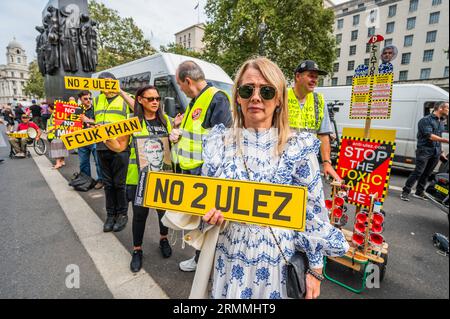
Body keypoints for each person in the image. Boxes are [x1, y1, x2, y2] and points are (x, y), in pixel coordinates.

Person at [163, 57, 349, 299]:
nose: (256, 97)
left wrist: (315, 271)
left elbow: (312, 214)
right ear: (237, 96)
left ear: (279, 97)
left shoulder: (297, 146)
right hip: (228, 260)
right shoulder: (219, 142)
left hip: (276, 267)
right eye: (247, 89)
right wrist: (207, 216)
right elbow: (204, 201)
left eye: (267, 90)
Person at [105, 85, 175, 272]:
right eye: (150, 99)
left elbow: (174, 144)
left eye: (157, 99)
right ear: (140, 100)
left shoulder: (166, 120)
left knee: (163, 213)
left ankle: (163, 239)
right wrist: (106, 139)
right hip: (138, 179)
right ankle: (137, 250)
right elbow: (119, 146)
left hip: (162, 177)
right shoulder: (132, 121)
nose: (155, 102)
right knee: (140, 215)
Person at [171, 60, 232, 272]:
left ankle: (203, 262)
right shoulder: (195, 101)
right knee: (199, 220)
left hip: (204, 170)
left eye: (180, 84)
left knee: (207, 220)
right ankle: (202, 260)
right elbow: (195, 135)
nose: (180, 88)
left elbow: (223, 139)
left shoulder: (216, 98)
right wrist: (178, 131)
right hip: (191, 168)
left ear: (188, 81)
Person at [94, 71, 135, 233]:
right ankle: (110, 216)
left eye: (109, 83)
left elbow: (137, 110)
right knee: (108, 185)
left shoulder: (125, 98)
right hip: (101, 147)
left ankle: (122, 215)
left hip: (120, 148)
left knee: (120, 184)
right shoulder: (97, 100)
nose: (107, 87)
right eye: (103, 84)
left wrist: (120, 92)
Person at [287, 60, 340, 181]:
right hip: (282, 162)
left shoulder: (319, 101)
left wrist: (326, 163)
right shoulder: (281, 96)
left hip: (308, 164)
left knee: (307, 199)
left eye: (316, 77)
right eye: (310, 76)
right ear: (298, 76)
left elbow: (323, 134)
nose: (314, 80)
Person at [401, 101, 449, 201]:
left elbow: (438, 137)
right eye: (447, 108)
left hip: (435, 151)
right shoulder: (426, 120)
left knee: (427, 173)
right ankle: (405, 191)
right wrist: (446, 141)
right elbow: (430, 136)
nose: (448, 110)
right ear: (440, 108)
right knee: (418, 172)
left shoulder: (441, 121)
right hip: (424, 150)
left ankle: (419, 192)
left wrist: (441, 151)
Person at [78, 90, 104, 189]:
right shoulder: (77, 110)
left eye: (90, 98)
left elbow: (99, 122)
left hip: (94, 139)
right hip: (81, 139)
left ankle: (100, 180)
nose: (88, 100)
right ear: (80, 99)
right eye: (85, 99)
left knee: (98, 161)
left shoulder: (96, 109)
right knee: (83, 162)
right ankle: (85, 180)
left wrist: (87, 120)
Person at [47, 103, 68, 169]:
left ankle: (58, 163)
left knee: (57, 149)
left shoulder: (54, 114)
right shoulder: (59, 113)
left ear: (51, 108)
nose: (47, 109)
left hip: (55, 134)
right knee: (61, 148)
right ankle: (62, 161)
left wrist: (49, 130)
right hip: (60, 133)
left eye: (48, 108)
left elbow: (57, 124)